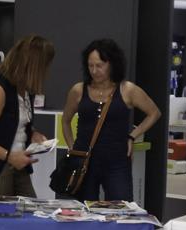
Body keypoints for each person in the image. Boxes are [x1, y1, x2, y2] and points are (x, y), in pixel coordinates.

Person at [61, 38, 161, 201]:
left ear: (112, 64)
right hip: (84, 161)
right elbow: (65, 121)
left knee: (120, 209)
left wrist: (132, 135)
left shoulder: (127, 90)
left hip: (117, 161)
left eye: (100, 65)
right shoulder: (78, 90)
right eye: (90, 65)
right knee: (83, 212)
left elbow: (154, 113)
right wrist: (73, 149)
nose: (94, 70)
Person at [0, 35, 55, 197]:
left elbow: (13, 120)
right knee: (1, 218)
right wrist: (9, 156)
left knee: (28, 214)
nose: (47, 71)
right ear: (34, 65)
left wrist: (32, 133)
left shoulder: (24, 89)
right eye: (45, 65)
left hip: (17, 165)